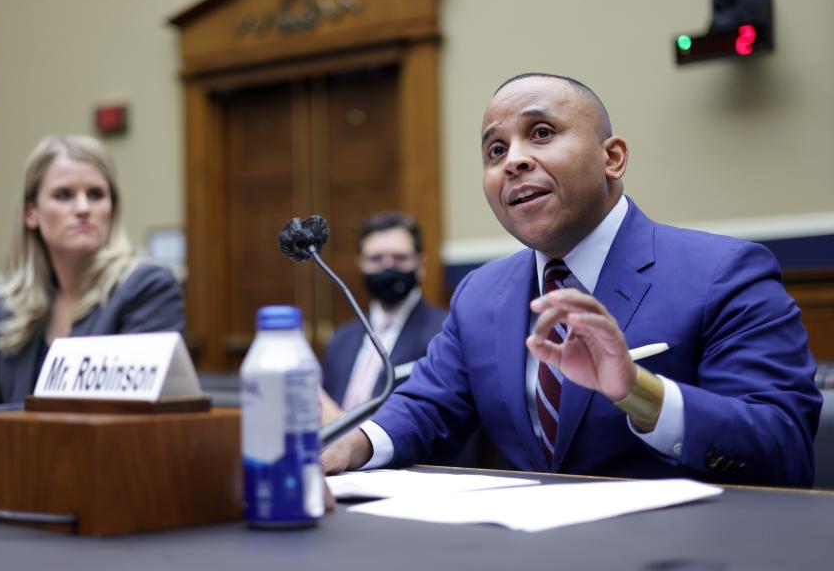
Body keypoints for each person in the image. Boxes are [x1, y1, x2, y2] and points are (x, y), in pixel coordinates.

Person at [321, 73, 822, 487]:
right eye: (495, 150)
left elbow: (783, 446)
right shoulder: (479, 294)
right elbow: (429, 407)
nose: (512, 160)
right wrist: (353, 442)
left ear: (613, 158)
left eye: (540, 133)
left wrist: (639, 391)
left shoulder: (724, 272)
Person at [0, 135, 184, 439]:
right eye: (64, 195)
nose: (83, 208)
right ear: (31, 213)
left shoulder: (148, 289)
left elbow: (119, 412)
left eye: (96, 194)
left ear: (112, 208)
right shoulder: (17, 305)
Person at [320, 212, 446, 421]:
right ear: (361, 264)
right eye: (376, 259)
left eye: (400, 258)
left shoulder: (444, 333)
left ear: (421, 265)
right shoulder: (340, 340)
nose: (388, 267)